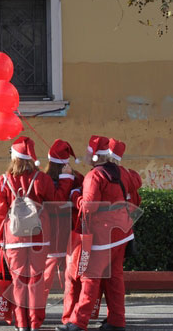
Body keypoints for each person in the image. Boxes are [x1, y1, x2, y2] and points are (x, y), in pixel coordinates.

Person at [58, 136, 136, 331]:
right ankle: (117, 321)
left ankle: (78, 322)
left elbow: (89, 207)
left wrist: (75, 195)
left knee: (90, 279)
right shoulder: (122, 172)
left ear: (94, 156)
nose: (85, 155)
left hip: (102, 238)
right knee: (114, 277)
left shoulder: (94, 176)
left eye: (87, 152)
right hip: (123, 234)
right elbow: (135, 186)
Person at [0, 136, 55, 331]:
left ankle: (22, 324)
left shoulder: (4, 180)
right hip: (39, 236)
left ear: (14, 157)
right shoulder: (43, 179)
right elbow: (53, 206)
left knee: (19, 282)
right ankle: (35, 322)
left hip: (14, 238)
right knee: (36, 281)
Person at [42, 140, 83, 301]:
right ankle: (71, 309)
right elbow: (56, 202)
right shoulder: (45, 179)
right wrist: (67, 179)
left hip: (64, 232)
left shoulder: (77, 178)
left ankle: (37, 312)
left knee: (64, 273)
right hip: (58, 233)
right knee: (61, 273)